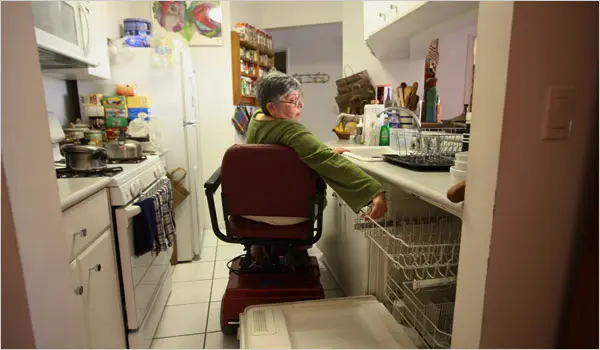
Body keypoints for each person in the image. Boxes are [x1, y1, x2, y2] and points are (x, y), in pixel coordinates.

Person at [245, 71, 388, 223]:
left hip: (251, 207)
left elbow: (286, 156)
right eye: (293, 100)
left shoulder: (257, 119)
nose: (301, 104)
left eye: (300, 98)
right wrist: (373, 191)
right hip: (285, 212)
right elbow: (328, 161)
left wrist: (320, 151)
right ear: (272, 107)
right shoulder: (289, 130)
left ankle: (263, 245)